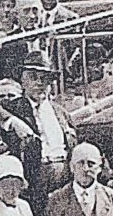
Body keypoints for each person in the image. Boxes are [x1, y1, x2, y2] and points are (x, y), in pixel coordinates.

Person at [20, 56, 76, 194]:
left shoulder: (59, 111)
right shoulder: (14, 109)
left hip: (64, 172)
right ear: (23, 81)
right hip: (37, 174)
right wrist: (11, 122)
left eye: (45, 79)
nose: (39, 83)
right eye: (33, 77)